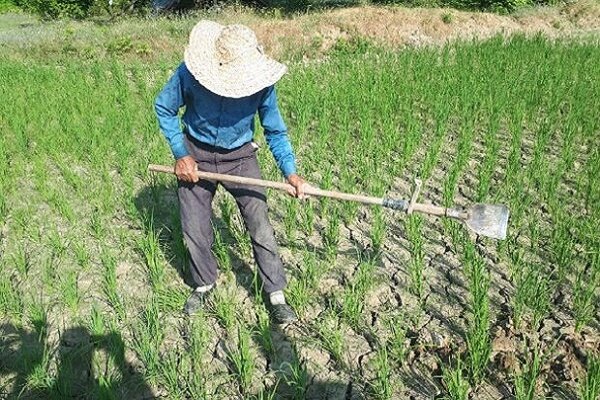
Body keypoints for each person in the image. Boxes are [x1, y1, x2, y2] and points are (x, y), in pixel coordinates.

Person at [154, 20, 306, 324]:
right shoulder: (189, 74)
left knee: (260, 224)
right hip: (196, 156)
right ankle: (203, 283)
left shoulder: (261, 85)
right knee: (194, 228)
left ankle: (275, 292)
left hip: (240, 157)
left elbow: (275, 131)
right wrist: (181, 154)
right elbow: (164, 107)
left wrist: (291, 172)